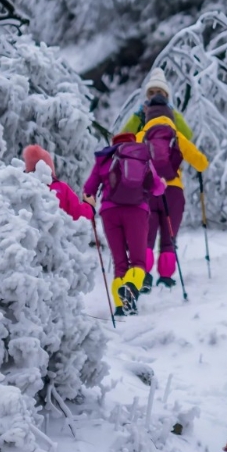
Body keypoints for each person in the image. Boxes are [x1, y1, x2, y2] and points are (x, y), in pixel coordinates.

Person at [82, 132, 166, 315]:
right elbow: (157, 188)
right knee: (138, 261)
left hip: (110, 212)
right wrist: (163, 185)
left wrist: (90, 205)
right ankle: (130, 287)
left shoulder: (104, 159)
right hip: (136, 210)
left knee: (120, 262)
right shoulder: (141, 156)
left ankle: (121, 306)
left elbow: (89, 189)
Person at [136, 89, 208, 292]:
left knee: (146, 237)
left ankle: (143, 276)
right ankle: (166, 278)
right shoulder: (176, 136)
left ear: (148, 113)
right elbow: (201, 163)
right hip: (174, 192)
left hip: (148, 193)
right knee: (169, 237)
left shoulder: (141, 136)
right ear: (169, 113)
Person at [23, 144, 93, 221]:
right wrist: (89, 208)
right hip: (60, 231)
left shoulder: (24, 188)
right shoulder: (61, 188)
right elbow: (77, 213)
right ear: (50, 167)